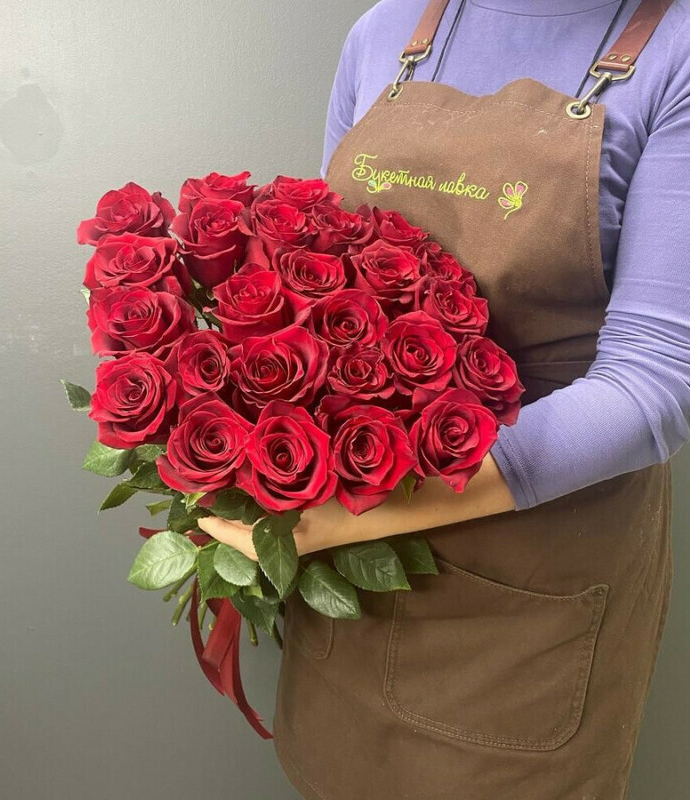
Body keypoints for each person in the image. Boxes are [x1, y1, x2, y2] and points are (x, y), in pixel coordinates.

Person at [198, 1, 690, 797]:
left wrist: (349, 514)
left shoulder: (678, 50)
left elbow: (654, 385)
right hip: (352, 593)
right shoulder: (384, 32)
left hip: (531, 608)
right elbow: (321, 278)